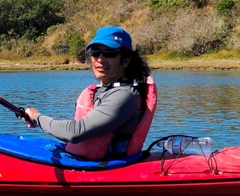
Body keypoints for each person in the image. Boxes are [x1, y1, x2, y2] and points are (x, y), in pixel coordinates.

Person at [24, 26, 155, 160]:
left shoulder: (124, 96)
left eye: (109, 53)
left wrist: (37, 117)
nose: (100, 59)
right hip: (91, 163)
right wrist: (40, 122)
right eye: (95, 52)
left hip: (104, 169)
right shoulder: (112, 90)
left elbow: (74, 132)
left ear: (126, 60)